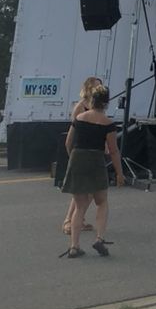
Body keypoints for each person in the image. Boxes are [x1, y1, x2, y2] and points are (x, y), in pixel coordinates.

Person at [60, 84, 124, 258]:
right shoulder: (108, 123)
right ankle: (99, 238)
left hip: (77, 158)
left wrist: (73, 158)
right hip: (96, 159)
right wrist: (119, 173)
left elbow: (68, 142)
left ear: (92, 100)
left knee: (80, 206)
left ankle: (74, 246)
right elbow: (113, 150)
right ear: (106, 103)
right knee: (101, 202)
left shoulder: (79, 117)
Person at [62, 76, 103, 235]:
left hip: (93, 152)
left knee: (90, 191)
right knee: (80, 191)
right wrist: (71, 155)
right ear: (88, 88)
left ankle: (79, 220)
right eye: (97, 86)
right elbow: (73, 134)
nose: (99, 89)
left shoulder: (97, 107)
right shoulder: (80, 107)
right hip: (81, 151)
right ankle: (68, 221)